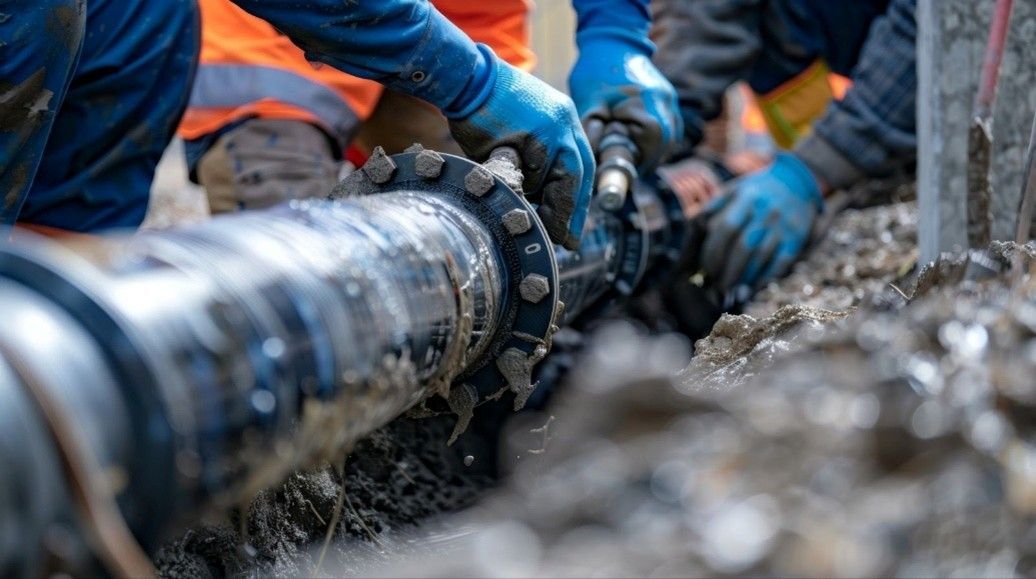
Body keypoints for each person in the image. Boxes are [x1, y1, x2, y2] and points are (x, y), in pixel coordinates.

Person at [181, 0, 683, 237]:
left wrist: (615, 31)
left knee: (498, 224)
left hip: (462, 31)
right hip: (278, 32)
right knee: (291, 266)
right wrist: (471, 82)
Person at [179, 0, 539, 216]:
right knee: (288, 255)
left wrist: (497, 102)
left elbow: (483, 13)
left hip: (419, 37)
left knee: (483, 198)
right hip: (267, 40)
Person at [652, 0, 917, 290]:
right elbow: (709, 13)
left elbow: (939, 20)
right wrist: (663, 134)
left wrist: (818, 165)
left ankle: (849, 174)